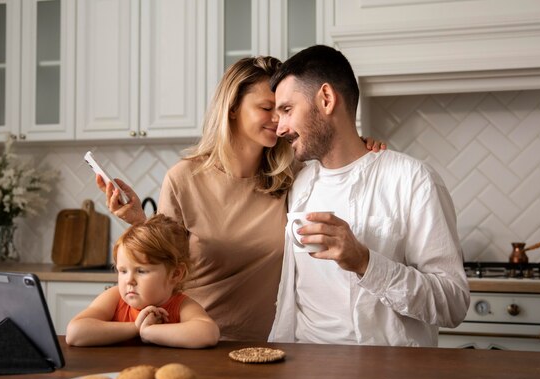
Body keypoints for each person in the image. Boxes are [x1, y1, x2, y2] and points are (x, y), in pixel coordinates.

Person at [98, 57, 385, 341]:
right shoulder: (184, 179)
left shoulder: (292, 176)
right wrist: (138, 221)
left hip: (271, 345)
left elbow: (340, 162)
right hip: (196, 340)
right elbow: (166, 267)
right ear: (233, 108)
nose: (279, 120)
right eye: (266, 108)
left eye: (284, 109)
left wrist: (359, 147)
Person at [268, 45, 470, 347]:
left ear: (326, 99)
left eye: (287, 110)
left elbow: (452, 303)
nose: (279, 127)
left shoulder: (413, 180)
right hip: (307, 376)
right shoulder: (298, 185)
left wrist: (365, 262)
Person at [65, 214, 220, 348]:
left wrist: (150, 332)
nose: (129, 281)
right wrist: (136, 328)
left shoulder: (181, 305)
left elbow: (208, 334)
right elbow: (75, 333)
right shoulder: (114, 298)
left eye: (141, 271)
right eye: (123, 271)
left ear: (175, 274)